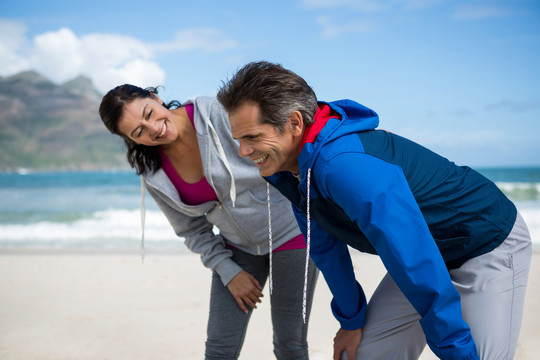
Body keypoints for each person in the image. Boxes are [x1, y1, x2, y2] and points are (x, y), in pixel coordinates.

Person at [216, 61, 532, 360]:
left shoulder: (342, 166)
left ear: (295, 123)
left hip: (485, 240)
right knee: (363, 353)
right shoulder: (289, 169)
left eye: (252, 137)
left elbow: (411, 256)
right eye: (239, 140)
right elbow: (325, 248)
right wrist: (351, 320)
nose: (243, 152)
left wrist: (454, 347)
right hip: (428, 253)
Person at [98, 84, 318, 360]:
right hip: (237, 250)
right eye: (139, 131)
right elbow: (191, 229)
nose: (153, 128)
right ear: (132, 140)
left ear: (155, 98)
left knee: (290, 344)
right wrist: (228, 271)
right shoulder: (153, 172)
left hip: (291, 235)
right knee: (219, 349)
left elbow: (283, 150)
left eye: (149, 113)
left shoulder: (218, 113)